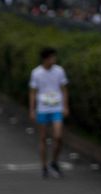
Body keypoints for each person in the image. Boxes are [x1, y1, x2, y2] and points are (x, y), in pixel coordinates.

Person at [29, 47, 69, 179]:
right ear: (45, 59)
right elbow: (33, 92)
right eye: (51, 57)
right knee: (43, 138)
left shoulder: (59, 71)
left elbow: (64, 89)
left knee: (58, 136)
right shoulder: (36, 73)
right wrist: (32, 109)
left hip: (56, 107)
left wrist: (65, 106)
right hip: (43, 108)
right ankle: (44, 166)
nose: (53, 60)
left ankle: (54, 161)